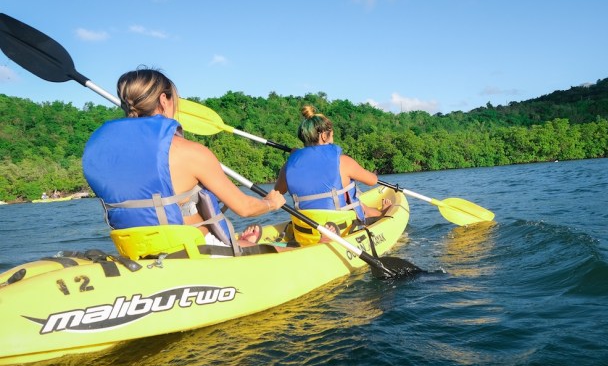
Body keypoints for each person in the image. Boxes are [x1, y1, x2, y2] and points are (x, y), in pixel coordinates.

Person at [82, 67, 286, 256]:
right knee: (281, 250)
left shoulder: (99, 154)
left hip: (135, 250)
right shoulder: (190, 152)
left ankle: (244, 242)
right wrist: (271, 203)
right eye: (174, 99)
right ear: (164, 100)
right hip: (194, 249)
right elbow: (245, 208)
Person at [274, 105, 391, 245]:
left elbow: (278, 192)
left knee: (354, 200)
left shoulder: (288, 166)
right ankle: (382, 214)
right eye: (332, 135)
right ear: (324, 136)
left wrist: (297, 159)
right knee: (352, 196)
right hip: (339, 227)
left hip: (305, 231)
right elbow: (372, 181)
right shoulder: (343, 161)